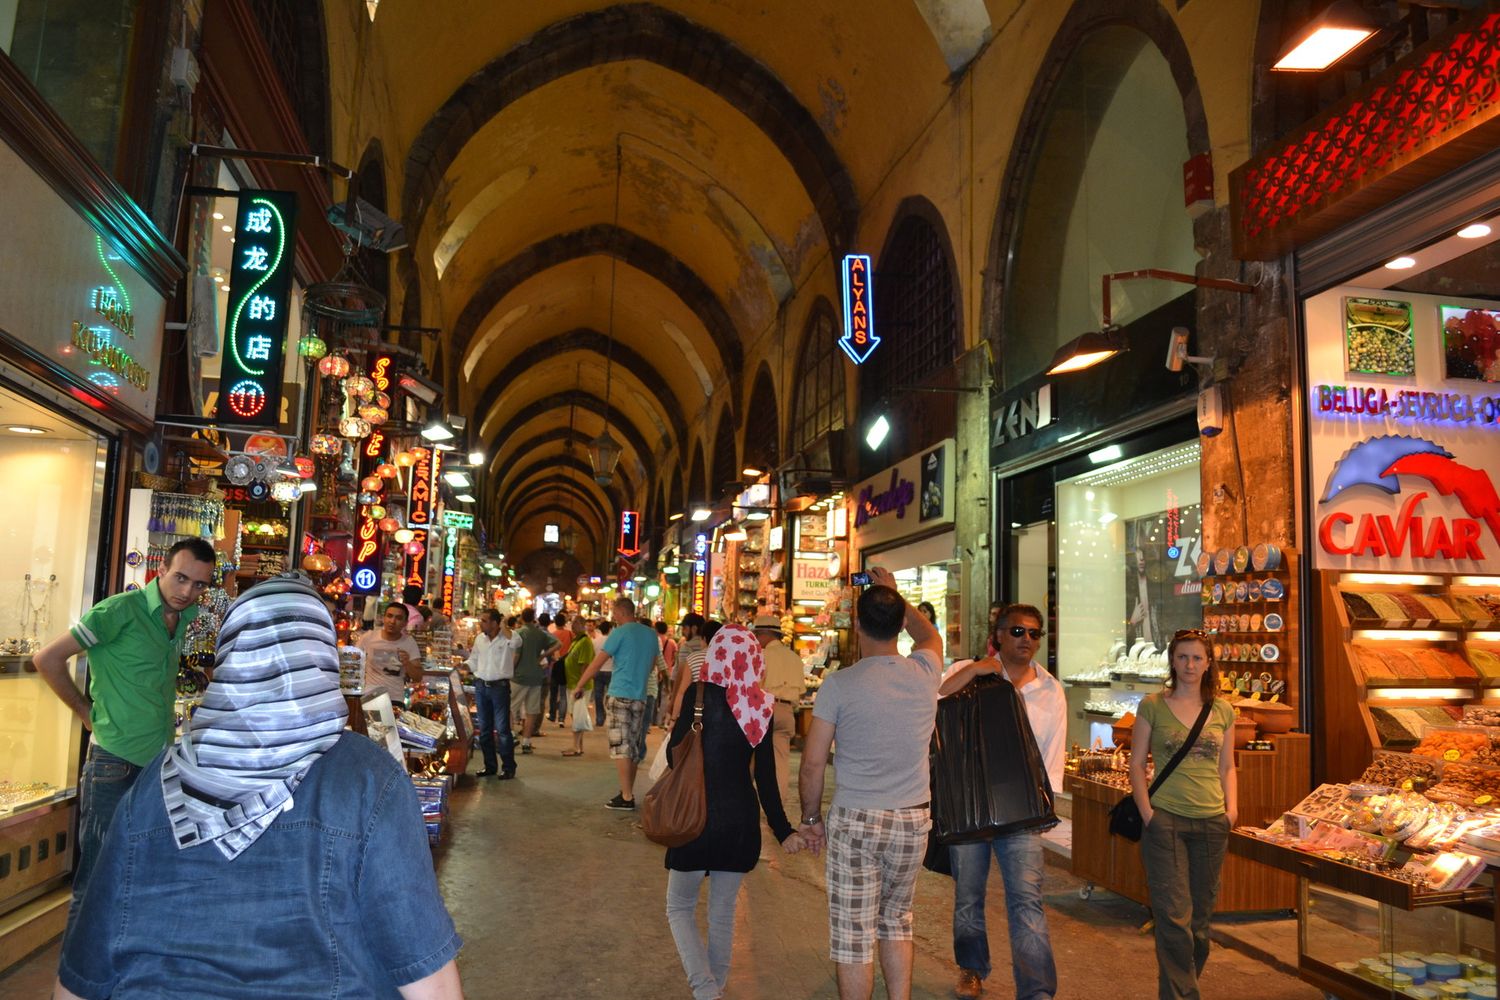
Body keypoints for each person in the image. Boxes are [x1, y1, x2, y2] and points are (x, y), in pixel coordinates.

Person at [53, 573, 463, 999]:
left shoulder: (157, 780)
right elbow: (424, 970)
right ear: (322, 658)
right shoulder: (367, 778)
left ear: (233, 655)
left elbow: (84, 970)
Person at [31, 537, 216, 906]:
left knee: (137, 870)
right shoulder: (118, 611)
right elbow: (47, 659)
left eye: (199, 584)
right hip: (112, 761)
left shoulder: (183, 618)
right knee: (98, 876)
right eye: (180, 578)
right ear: (160, 569)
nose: (187, 591)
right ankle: (76, 964)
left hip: (157, 764)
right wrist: (85, 713)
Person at [797, 566, 943, 1000]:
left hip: (857, 818)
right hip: (912, 819)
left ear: (856, 625)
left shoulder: (839, 685)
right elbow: (929, 637)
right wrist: (894, 595)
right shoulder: (924, 672)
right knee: (897, 919)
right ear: (900, 625)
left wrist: (810, 818)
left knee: (853, 932)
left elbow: (812, 763)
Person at [663, 624, 804, 1000]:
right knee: (722, 912)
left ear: (716, 655)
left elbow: (671, 754)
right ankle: (716, 988)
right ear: (755, 660)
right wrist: (784, 830)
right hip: (739, 821)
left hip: (692, 816)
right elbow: (768, 782)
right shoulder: (763, 706)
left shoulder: (698, 695)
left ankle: (705, 989)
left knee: (679, 907)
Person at [937, 604, 1066, 1000]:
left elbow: (1051, 753)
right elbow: (935, 697)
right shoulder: (967, 673)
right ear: (998, 636)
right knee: (969, 896)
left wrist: (1048, 806)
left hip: (1022, 812)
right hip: (970, 806)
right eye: (1017, 632)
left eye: (1034, 633)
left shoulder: (1049, 689)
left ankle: (1037, 990)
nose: (1026, 639)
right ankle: (972, 971)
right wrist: (976, 669)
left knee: (1027, 900)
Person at [1130, 629, 1237, 1000]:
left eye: (1197, 658)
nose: (1190, 665)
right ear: (1172, 661)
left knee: (1201, 924)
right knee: (1174, 918)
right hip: (1166, 822)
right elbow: (1136, 763)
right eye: (1182, 657)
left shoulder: (1223, 710)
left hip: (1212, 822)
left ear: (1209, 664)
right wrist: (1148, 813)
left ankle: (1178, 989)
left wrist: (1231, 810)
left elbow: (1228, 766)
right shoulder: (1153, 705)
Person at [572, 596, 660, 810]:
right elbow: (652, 665)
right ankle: (626, 792)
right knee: (633, 746)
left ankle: (628, 796)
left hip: (620, 693)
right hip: (640, 696)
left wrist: (580, 685)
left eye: (613, 611)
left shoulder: (619, 633)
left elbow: (597, 663)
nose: (612, 615)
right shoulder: (650, 634)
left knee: (621, 747)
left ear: (621, 612)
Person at [751, 613, 805, 810]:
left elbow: (753, 686)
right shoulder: (794, 658)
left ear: (766, 634)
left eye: (757, 634)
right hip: (787, 711)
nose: (756, 639)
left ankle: (752, 801)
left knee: (752, 757)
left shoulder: (761, 656)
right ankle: (777, 805)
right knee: (781, 760)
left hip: (764, 710)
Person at [469, 608, 522, 779]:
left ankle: (508, 767)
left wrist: (504, 625)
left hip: (499, 688)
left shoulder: (507, 637)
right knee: (484, 730)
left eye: (484, 620)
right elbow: (474, 659)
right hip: (481, 687)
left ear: (494, 622)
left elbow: (517, 643)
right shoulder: (480, 639)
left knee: (502, 729)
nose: (480, 623)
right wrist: (464, 665)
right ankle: (490, 765)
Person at [358, 602, 423, 707]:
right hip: (368, 697)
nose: (392, 621)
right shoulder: (369, 637)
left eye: (398, 618)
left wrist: (407, 663)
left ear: (405, 623)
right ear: (383, 618)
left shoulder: (409, 642)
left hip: (395, 699)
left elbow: (418, 677)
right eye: (389, 616)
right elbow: (354, 662)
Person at [513, 608, 559, 754]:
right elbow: (558, 644)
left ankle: (512, 736)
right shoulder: (540, 634)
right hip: (536, 676)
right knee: (532, 711)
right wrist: (543, 655)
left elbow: (516, 656)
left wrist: (509, 670)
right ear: (534, 618)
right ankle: (527, 742)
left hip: (519, 676)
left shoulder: (518, 633)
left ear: (521, 618)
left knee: (510, 707)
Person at [666, 612, 708, 723]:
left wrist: (673, 701)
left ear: (694, 628)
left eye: (685, 628)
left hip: (688, 697)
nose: (683, 632)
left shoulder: (687, 647)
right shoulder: (709, 647)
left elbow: (680, 676)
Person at [562, 615, 594, 757]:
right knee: (576, 714)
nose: (573, 625)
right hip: (573, 683)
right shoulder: (577, 640)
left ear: (583, 625)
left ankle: (576, 747)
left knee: (577, 715)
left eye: (576, 623)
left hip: (580, 685)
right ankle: (579, 746)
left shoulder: (585, 642)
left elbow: (585, 665)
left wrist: (580, 686)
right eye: (572, 623)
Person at [548, 613, 574, 725]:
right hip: (566, 665)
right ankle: (561, 719)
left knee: (553, 693)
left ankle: (552, 715)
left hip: (554, 665)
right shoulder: (570, 634)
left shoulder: (552, 635)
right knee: (563, 694)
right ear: (564, 622)